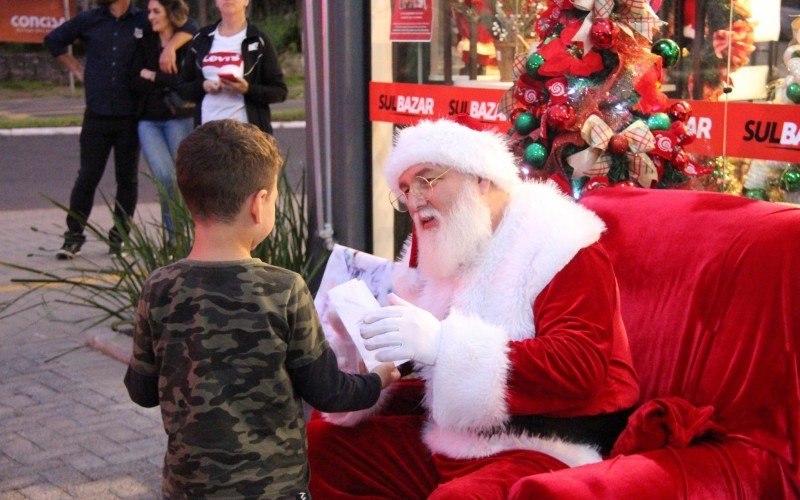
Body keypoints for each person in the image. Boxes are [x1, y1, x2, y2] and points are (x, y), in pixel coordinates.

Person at [306, 116, 641, 498]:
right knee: (323, 446)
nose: (414, 200)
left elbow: (580, 367)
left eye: (428, 179)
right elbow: (417, 364)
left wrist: (443, 344)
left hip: (547, 444)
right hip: (453, 438)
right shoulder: (446, 247)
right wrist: (358, 346)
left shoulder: (562, 243)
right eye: (405, 189)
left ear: (480, 178)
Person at [123, 119, 400, 498]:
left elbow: (141, 390)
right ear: (259, 204)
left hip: (188, 489)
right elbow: (328, 392)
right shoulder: (283, 289)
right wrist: (378, 379)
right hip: (274, 489)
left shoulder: (159, 287)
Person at [44, 0, 197, 259]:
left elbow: (188, 23)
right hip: (97, 113)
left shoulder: (142, 19)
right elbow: (53, 40)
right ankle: (73, 238)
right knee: (88, 176)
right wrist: (76, 69)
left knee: (127, 179)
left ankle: (119, 238)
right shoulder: (90, 19)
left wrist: (170, 48)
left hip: (130, 116)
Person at [130, 0, 195, 242]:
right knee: (164, 176)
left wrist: (154, 76)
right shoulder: (144, 39)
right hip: (148, 120)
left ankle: (189, 237)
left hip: (179, 118)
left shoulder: (188, 43)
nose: (150, 16)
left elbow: (185, 83)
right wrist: (165, 78)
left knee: (182, 178)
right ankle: (173, 238)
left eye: (156, 11)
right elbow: (134, 78)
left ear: (170, 13)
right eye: (149, 11)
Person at [177, 0, 287, 134]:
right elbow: (182, 87)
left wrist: (246, 89)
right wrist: (203, 86)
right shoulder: (201, 38)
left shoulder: (258, 39)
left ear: (246, 2)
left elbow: (279, 91)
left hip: (247, 134)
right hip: (207, 132)